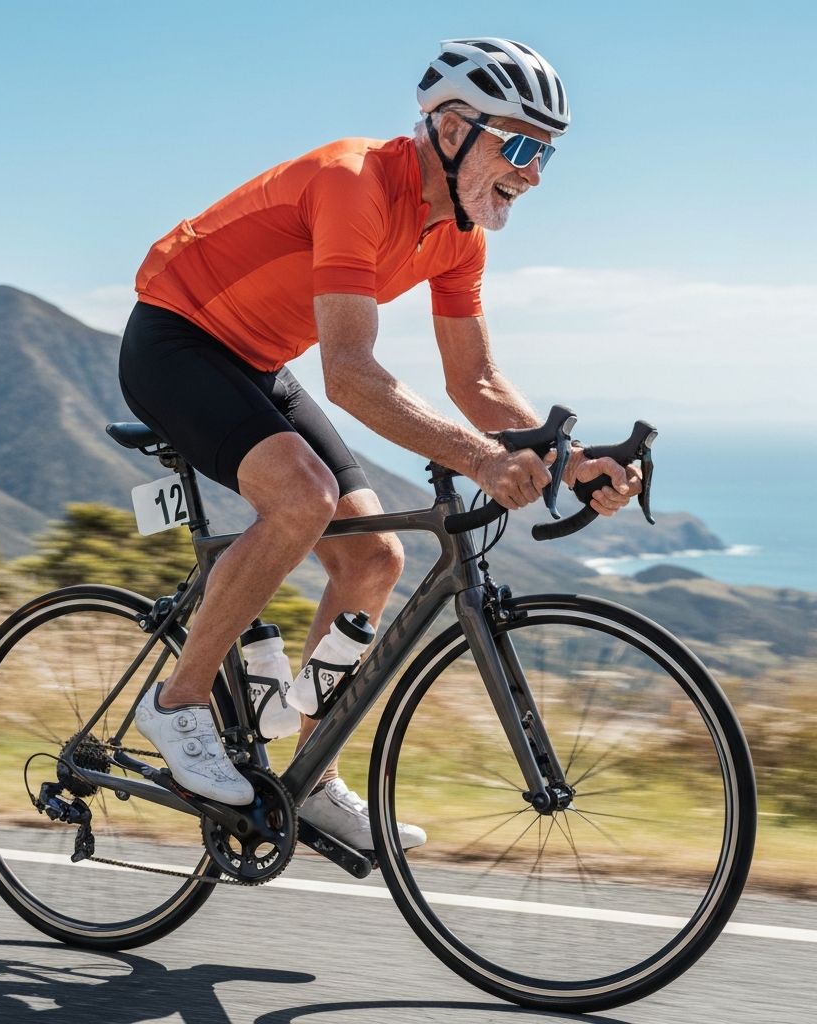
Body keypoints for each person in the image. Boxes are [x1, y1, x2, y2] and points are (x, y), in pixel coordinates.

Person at [121, 38, 642, 849]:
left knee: (373, 560)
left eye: (547, 154)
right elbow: (352, 376)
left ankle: (313, 776)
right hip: (175, 340)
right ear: (451, 126)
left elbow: (475, 383)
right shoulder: (353, 180)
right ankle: (176, 704)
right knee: (302, 497)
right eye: (522, 145)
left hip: (258, 360)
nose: (535, 172)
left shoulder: (459, 234)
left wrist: (569, 466)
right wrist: (480, 459)